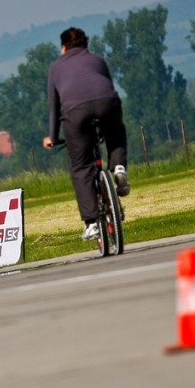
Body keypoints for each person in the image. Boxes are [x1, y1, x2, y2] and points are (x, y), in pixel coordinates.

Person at [42, 27, 130, 241]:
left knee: (81, 166)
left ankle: (91, 223)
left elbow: (54, 106)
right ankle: (118, 166)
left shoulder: (56, 67)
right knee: (116, 130)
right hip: (107, 103)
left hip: (75, 113)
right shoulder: (97, 59)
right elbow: (107, 86)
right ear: (85, 45)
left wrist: (52, 137)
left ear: (63, 48)